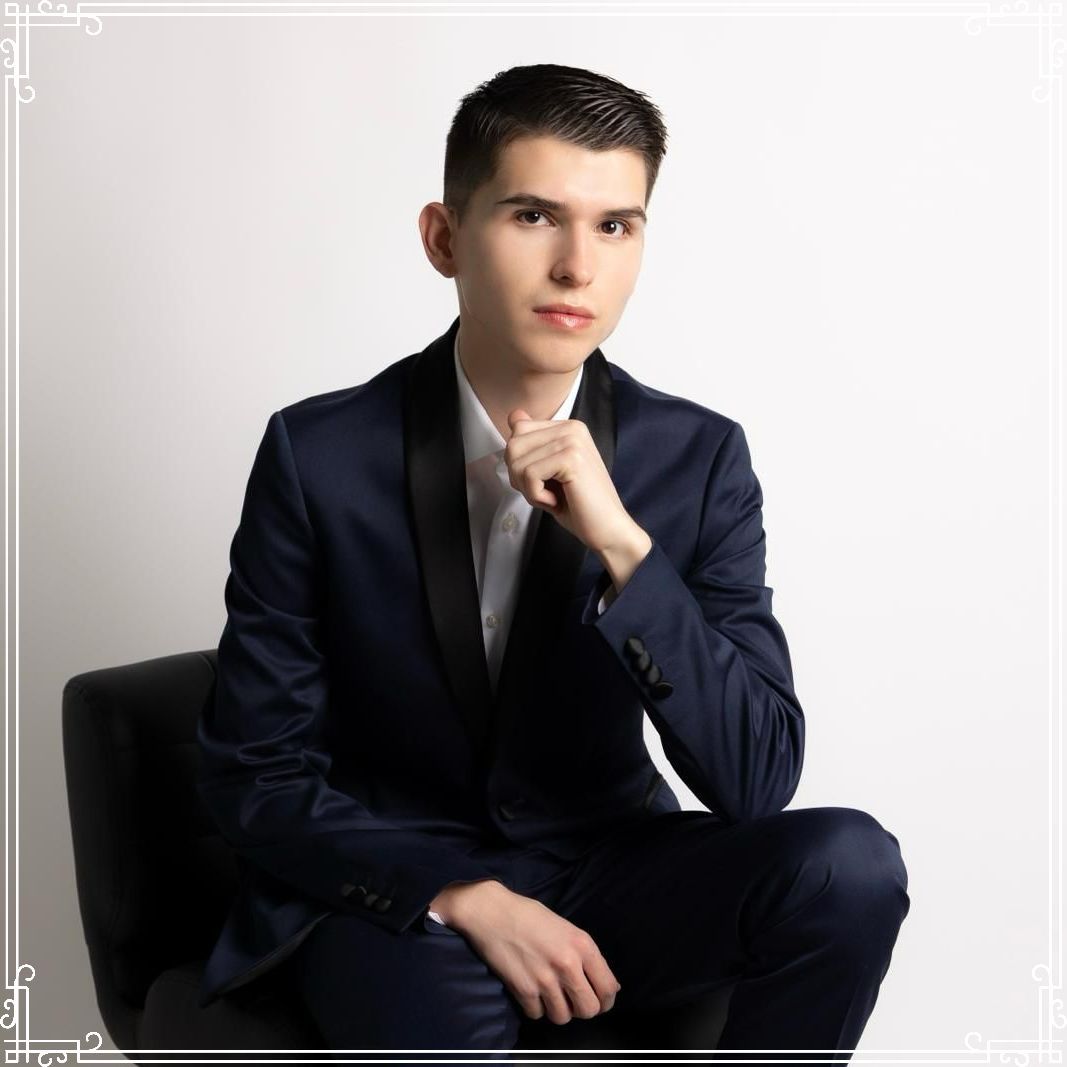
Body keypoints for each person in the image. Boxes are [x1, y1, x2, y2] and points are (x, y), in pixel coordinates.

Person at [195, 62, 910, 1057]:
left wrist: (623, 548)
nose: (577, 266)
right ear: (444, 238)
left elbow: (755, 777)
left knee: (849, 865)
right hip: (403, 884)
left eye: (614, 225)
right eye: (533, 216)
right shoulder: (319, 454)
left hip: (611, 865)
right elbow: (257, 772)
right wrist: (459, 891)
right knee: (450, 996)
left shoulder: (696, 457)